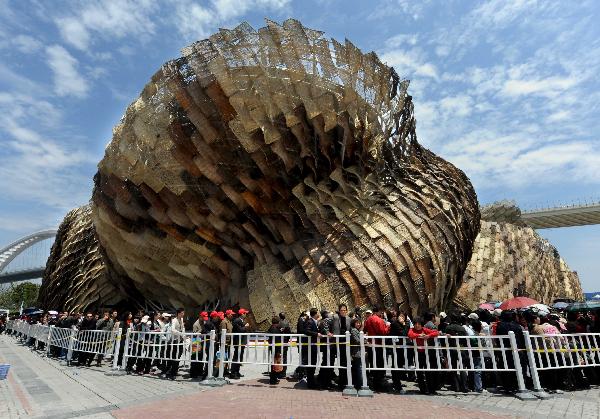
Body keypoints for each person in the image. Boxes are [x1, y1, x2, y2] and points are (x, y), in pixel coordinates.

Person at [408, 316, 439, 394]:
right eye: (416, 324)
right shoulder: (412, 329)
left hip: (425, 353)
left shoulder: (424, 329)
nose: (417, 325)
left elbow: (436, 332)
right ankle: (422, 389)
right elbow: (410, 335)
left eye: (419, 324)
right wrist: (419, 336)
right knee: (419, 372)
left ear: (421, 324)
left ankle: (430, 389)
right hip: (417, 353)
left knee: (428, 371)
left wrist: (428, 336)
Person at [363, 305, 390, 391]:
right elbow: (383, 332)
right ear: (378, 312)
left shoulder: (368, 319)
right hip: (378, 344)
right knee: (380, 365)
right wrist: (388, 326)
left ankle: (374, 383)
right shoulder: (378, 320)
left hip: (371, 344)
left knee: (373, 364)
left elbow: (365, 329)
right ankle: (379, 385)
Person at [389, 310, 409, 393]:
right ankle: (397, 385)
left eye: (403, 316)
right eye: (400, 316)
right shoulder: (395, 323)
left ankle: (396, 382)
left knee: (399, 365)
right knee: (396, 365)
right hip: (396, 347)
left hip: (402, 347)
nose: (402, 318)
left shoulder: (403, 323)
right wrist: (404, 324)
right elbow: (404, 333)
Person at [304, 308, 321, 389]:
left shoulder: (314, 321)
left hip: (313, 346)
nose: (319, 314)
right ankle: (310, 383)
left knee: (313, 364)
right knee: (311, 365)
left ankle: (311, 382)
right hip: (311, 346)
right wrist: (316, 334)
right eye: (318, 312)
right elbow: (307, 331)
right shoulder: (310, 321)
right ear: (315, 314)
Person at [165, 308, 185, 380]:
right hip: (174, 341)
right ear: (178, 313)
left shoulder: (181, 320)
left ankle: (175, 371)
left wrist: (184, 336)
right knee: (173, 357)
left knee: (178, 356)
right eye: (182, 313)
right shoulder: (174, 320)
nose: (183, 314)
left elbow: (183, 328)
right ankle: (170, 373)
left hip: (180, 340)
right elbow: (172, 330)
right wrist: (180, 333)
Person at [230, 308, 249, 379]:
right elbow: (240, 330)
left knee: (239, 357)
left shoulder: (241, 320)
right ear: (242, 314)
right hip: (238, 342)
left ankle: (237, 372)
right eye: (245, 313)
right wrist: (245, 326)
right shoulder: (237, 321)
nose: (246, 314)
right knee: (236, 357)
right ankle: (233, 373)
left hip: (241, 342)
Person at [190, 311, 207, 379]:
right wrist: (201, 330)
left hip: (201, 341)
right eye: (203, 317)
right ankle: (193, 373)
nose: (204, 319)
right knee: (194, 357)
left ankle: (199, 371)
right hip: (196, 341)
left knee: (200, 357)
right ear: (200, 316)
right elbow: (195, 334)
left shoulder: (204, 322)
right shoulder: (196, 324)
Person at [267, 316, 283, 385]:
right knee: (275, 364)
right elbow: (276, 340)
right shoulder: (274, 328)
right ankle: (273, 379)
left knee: (275, 364)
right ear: (278, 322)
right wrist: (278, 351)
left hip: (274, 348)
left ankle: (274, 378)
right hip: (275, 348)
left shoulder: (273, 327)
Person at [349, 318, 363, 390]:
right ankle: (359, 384)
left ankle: (356, 383)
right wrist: (365, 341)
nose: (358, 324)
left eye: (359, 323)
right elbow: (357, 340)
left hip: (356, 352)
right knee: (358, 368)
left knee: (355, 368)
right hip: (356, 352)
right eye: (357, 323)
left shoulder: (358, 330)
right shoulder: (354, 330)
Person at [278, 312, 291, 378]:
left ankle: (280, 372)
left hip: (280, 342)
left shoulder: (279, 323)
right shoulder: (287, 323)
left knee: (279, 357)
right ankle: (283, 372)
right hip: (285, 342)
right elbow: (289, 333)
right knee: (284, 357)